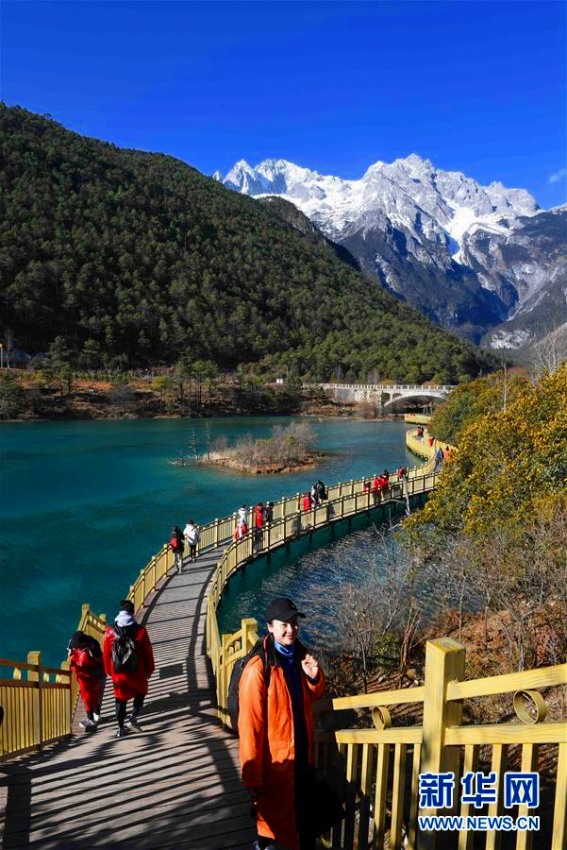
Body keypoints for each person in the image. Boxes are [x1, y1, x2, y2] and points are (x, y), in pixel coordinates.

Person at [238, 597, 326, 850]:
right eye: (284, 624)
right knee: (274, 823)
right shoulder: (258, 669)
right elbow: (250, 727)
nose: (291, 629)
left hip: (301, 754)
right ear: (269, 627)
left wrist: (314, 678)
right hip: (274, 763)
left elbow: (314, 694)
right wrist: (252, 777)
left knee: (293, 818)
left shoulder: (299, 655)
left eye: (294, 623)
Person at [103, 600, 155, 738]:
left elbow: (107, 654)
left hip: (118, 673)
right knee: (141, 691)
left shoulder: (109, 632)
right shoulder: (141, 631)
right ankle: (133, 717)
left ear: (120, 612)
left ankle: (120, 729)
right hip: (137, 670)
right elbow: (147, 652)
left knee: (120, 700)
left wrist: (109, 671)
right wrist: (150, 669)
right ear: (133, 612)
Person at [67, 630, 104, 731]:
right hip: (96, 676)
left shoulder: (85, 655)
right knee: (95, 695)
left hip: (87, 679)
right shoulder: (92, 645)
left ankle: (90, 719)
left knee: (87, 698)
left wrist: (72, 662)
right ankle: (97, 715)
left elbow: (81, 667)